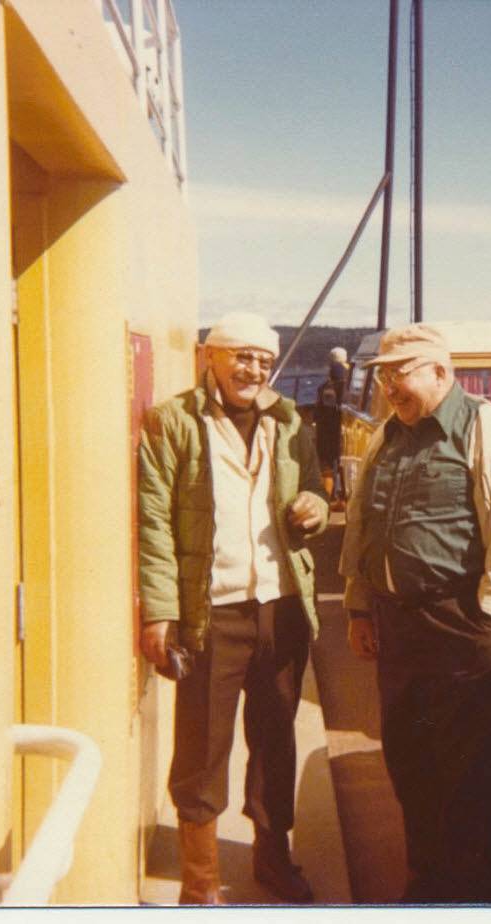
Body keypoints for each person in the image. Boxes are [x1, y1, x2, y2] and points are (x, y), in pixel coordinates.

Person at [339, 323, 491, 903]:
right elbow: (361, 524)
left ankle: (473, 898)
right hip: (398, 630)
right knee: (410, 767)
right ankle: (427, 886)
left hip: (461, 628)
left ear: (440, 372)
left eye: (399, 373)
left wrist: (489, 608)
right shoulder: (386, 437)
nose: (389, 387)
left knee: (467, 783)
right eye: (383, 375)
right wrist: (359, 606)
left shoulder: (487, 430)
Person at [138, 311, 328, 905]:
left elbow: (316, 490)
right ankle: (199, 885)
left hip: (281, 606)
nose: (253, 370)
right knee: (202, 748)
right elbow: (154, 523)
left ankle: (273, 858)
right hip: (212, 612)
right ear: (209, 357)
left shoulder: (289, 422)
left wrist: (315, 508)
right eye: (242, 356)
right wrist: (160, 612)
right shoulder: (172, 422)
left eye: (264, 360)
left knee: (275, 741)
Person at [313, 346, 348, 507]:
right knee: (341, 463)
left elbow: (323, 412)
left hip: (328, 431)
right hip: (342, 429)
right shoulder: (349, 380)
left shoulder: (326, 387)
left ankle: (327, 500)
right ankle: (341, 498)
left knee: (327, 465)